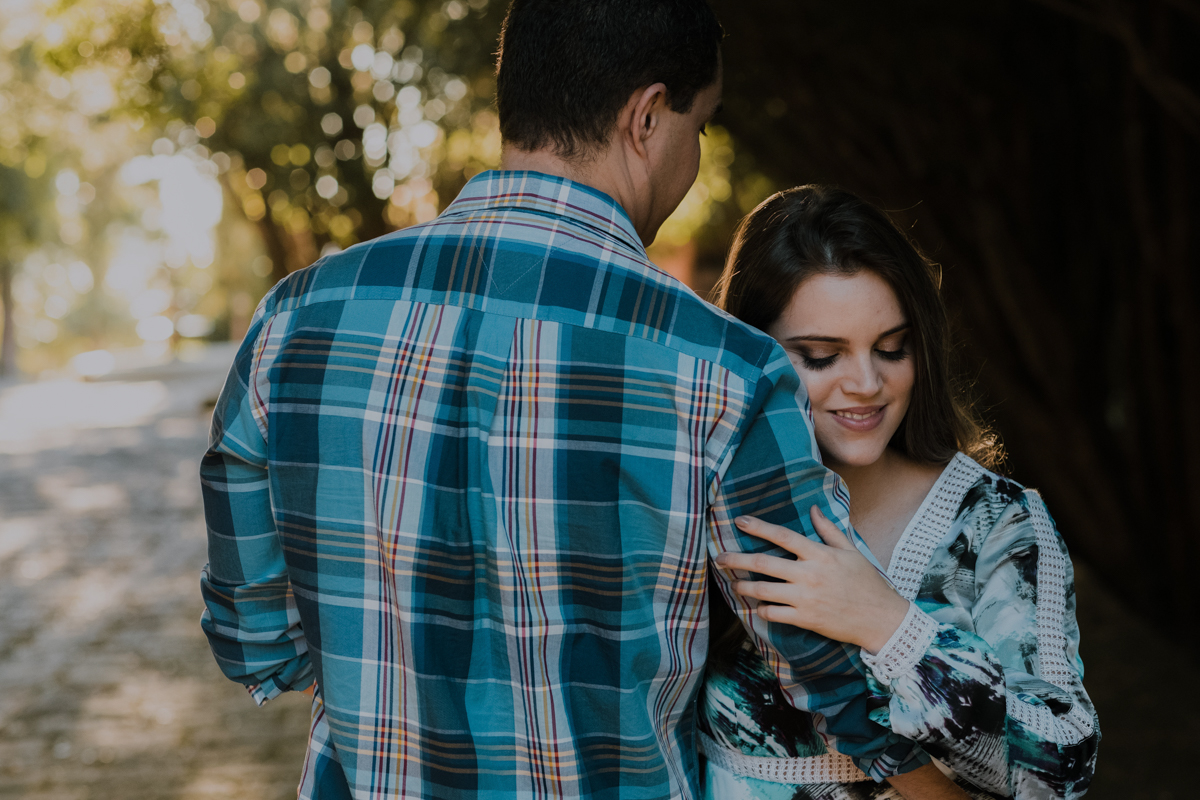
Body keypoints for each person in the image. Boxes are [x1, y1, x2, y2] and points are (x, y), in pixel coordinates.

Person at [198, 3, 970, 798]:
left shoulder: (295, 321)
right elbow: (835, 685)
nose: (692, 156)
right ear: (647, 117)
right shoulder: (728, 372)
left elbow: (253, 642)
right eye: (699, 126)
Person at [699, 185, 1100, 799]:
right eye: (820, 356)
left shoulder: (999, 521)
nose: (866, 382)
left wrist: (890, 625)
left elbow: (1061, 765)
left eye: (892, 348)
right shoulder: (708, 503)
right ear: (755, 355)